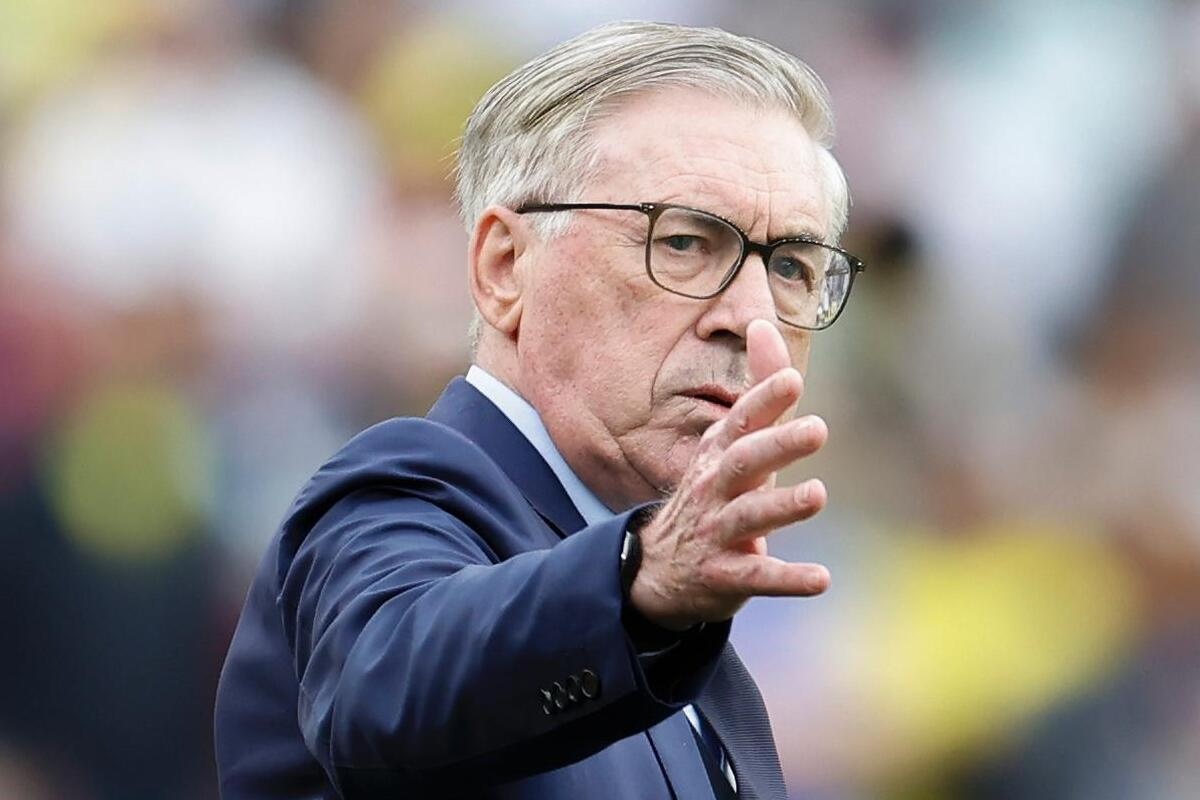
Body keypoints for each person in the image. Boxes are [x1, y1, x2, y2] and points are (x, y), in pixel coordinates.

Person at [215, 20, 863, 800]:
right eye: (686, 242)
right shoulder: (402, 494)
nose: (753, 317)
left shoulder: (687, 643)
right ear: (505, 267)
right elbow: (381, 692)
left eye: (791, 266)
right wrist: (641, 581)